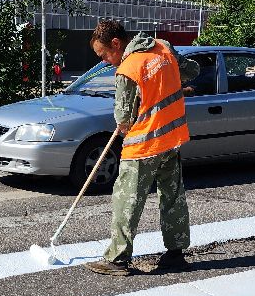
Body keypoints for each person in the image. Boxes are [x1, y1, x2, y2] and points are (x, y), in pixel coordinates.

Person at [85, 20, 199, 277]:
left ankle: (117, 259)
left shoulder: (128, 69)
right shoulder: (163, 47)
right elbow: (191, 70)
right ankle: (175, 254)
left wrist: (128, 117)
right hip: (171, 140)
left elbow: (123, 119)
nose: (105, 61)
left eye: (104, 54)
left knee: (127, 200)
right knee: (172, 197)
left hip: (143, 145)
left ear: (116, 44)